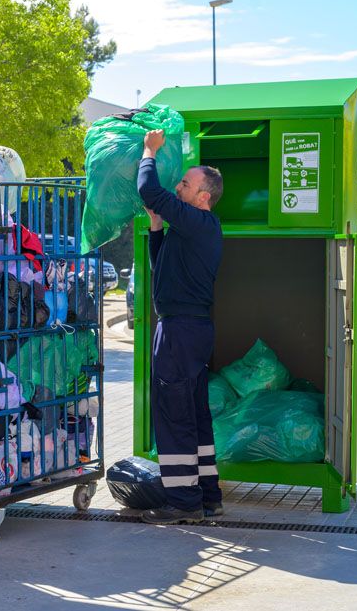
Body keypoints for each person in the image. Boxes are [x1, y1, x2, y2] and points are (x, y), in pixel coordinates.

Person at [135, 128, 225, 524]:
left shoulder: (198, 222)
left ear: (203, 196)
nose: (178, 187)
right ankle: (208, 496)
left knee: (174, 413)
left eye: (185, 184)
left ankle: (184, 504)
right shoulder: (191, 229)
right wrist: (156, 228)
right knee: (194, 412)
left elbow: (149, 190)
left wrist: (149, 151)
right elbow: (162, 269)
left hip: (180, 332)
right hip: (190, 330)